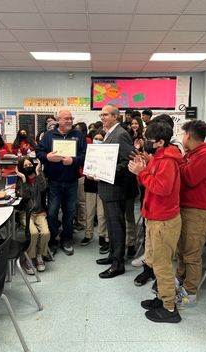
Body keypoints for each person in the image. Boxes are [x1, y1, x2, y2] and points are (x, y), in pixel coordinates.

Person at [128, 121, 182, 323]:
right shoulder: (159, 157)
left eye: (150, 141)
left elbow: (162, 188)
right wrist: (145, 166)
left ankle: (169, 308)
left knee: (162, 266)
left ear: (160, 142)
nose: (146, 143)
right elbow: (151, 180)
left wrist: (140, 172)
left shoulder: (167, 161)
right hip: (155, 217)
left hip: (163, 220)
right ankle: (161, 298)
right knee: (156, 261)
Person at [175, 120, 206, 307]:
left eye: (182, 134)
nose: (181, 137)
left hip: (198, 212)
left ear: (189, 136)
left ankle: (190, 293)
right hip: (187, 208)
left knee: (192, 254)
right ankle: (180, 280)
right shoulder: (192, 154)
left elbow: (190, 178)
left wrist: (177, 163)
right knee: (182, 250)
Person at [36, 110, 87, 256]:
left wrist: (74, 161)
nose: (70, 121)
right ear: (59, 120)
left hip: (71, 181)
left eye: (71, 118)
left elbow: (85, 155)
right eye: (66, 119)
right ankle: (52, 241)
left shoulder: (78, 136)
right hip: (54, 181)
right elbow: (38, 151)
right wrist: (47, 157)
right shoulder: (49, 136)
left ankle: (67, 240)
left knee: (70, 212)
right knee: (52, 212)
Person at [96, 104, 133, 279]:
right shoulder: (109, 134)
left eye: (105, 115)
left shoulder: (121, 134)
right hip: (107, 187)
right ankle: (112, 255)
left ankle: (118, 264)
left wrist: (105, 172)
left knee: (116, 226)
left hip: (115, 188)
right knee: (111, 225)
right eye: (101, 115)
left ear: (115, 117)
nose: (102, 117)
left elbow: (128, 162)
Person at [15, 157, 50, 275]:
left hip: (39, 212)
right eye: (25, 166)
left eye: (30, 164)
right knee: (33, 233)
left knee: (45, 233)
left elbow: (44, 188)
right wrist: (24, 179)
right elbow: (25, 196)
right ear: (21, 168)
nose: (28, 167)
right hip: (26, 213)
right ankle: (28, 258)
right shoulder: (21, 180)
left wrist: (39, 172)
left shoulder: (39, 176)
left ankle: (39, 255)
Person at [80, 130, 108, 253]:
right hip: (90, 185)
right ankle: (88, 234)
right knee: (89, 212)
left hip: (103, 185)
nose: (98, 140)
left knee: (102, 214)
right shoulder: (88, 152)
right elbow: (84, 167)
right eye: (96, 138)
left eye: (101, 139)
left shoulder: (108, 153)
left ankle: (102, 236)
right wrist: (87, 174)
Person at [74, 122, 92, 232]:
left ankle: (82, 222)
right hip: (74, 173)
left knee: (81, 201)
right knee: (76, 201)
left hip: (82, 173)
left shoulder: (87, 141)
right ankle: (78, 220)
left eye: (77, 129)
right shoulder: (74, 140)